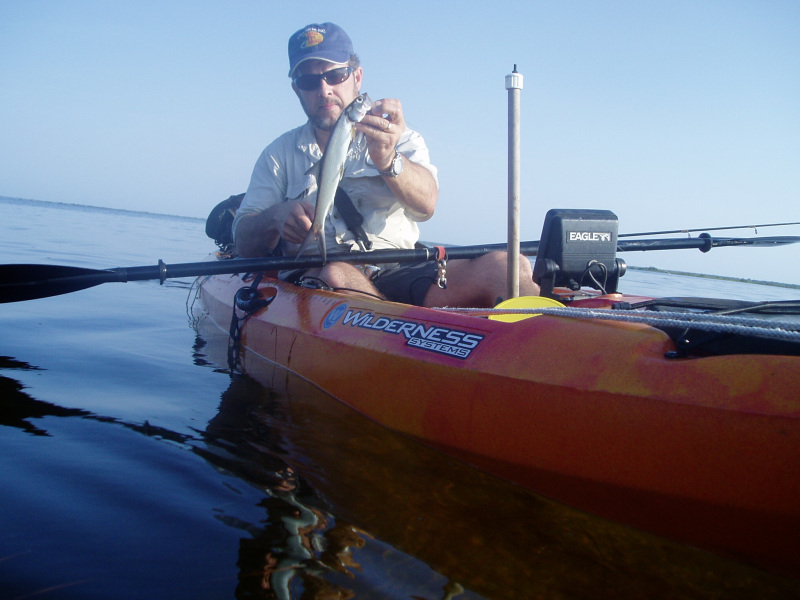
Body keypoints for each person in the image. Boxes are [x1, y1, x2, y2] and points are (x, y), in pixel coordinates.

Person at [233, 22, 539, 307]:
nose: (324, 89)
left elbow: (427, 205)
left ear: (357, 77)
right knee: (337, 275)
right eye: (308, 81)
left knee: (508, 267)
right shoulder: (277, 155)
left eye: (335, 75)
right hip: (325, 277)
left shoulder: (399, 136)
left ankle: (538, 340)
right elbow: (245, 242)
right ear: (296, 89)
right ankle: (404, 341)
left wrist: (390, 161)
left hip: (401, 268)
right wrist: (274, 217)